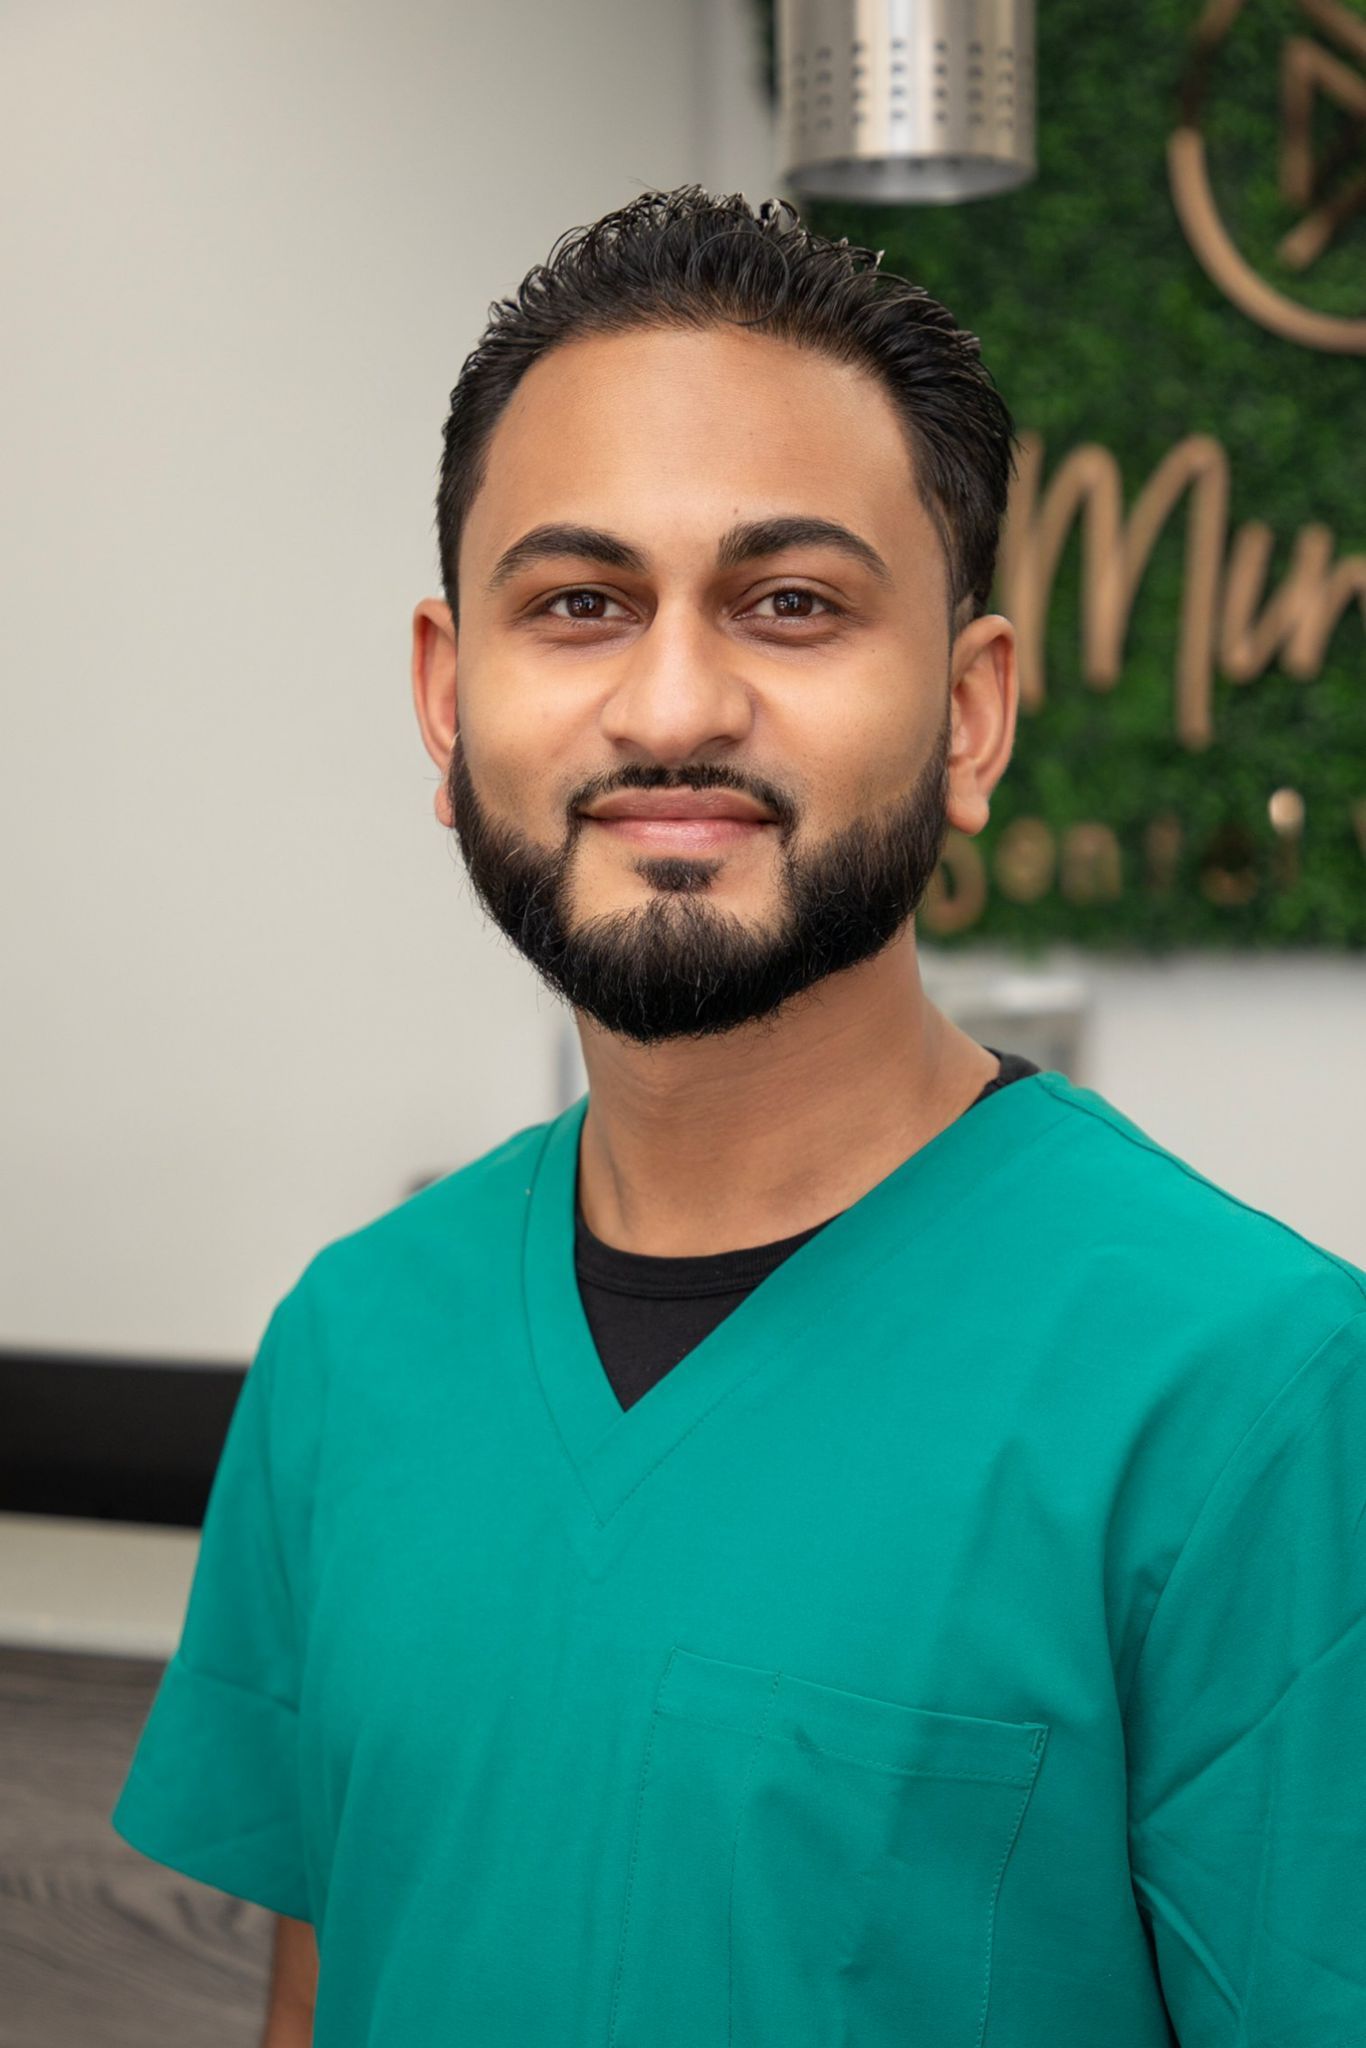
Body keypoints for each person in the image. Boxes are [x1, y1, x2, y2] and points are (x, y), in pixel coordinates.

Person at [110, 186, 1366, 2048]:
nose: (674, 703)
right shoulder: (351, 1345)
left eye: (789, 603)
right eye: (581, 603)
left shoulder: (1253, 1398)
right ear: (451, 704)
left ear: (967, 708)